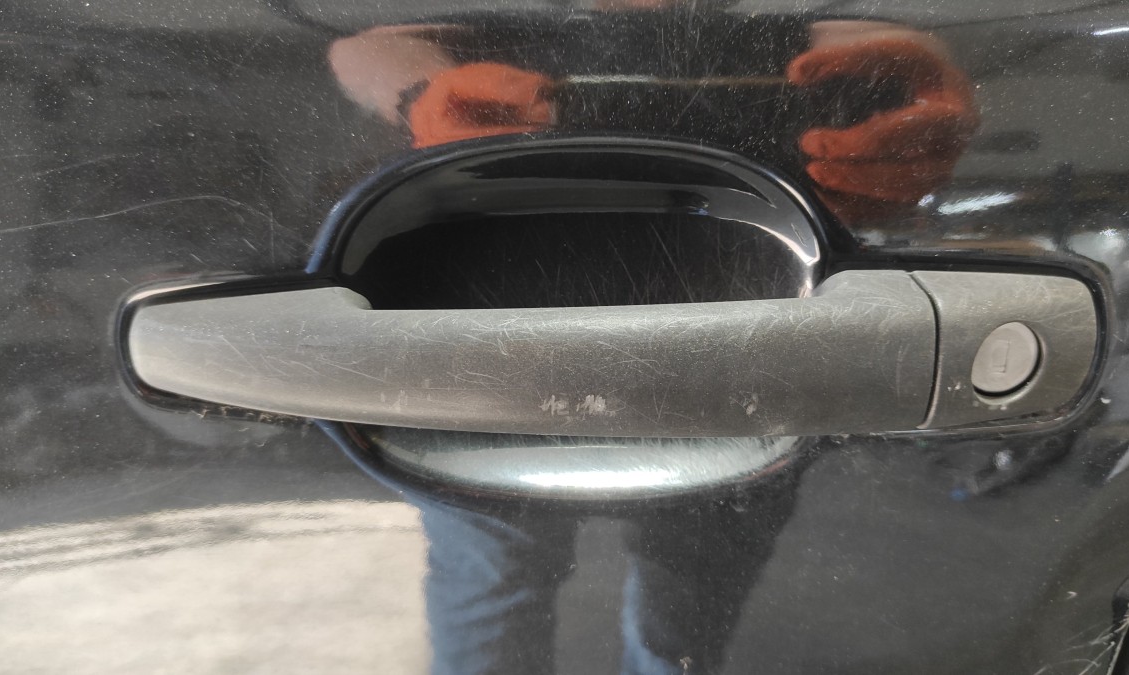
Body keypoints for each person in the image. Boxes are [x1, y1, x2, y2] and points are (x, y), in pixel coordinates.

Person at [327, 6, 978, 674]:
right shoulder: (513, 18)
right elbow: (364, 49)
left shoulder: (756, 28)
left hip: (722, 360)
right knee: (512, 588)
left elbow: (864, 37)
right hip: (522, 355)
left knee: (659, 604)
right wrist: (419, 92)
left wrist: (918, 66)